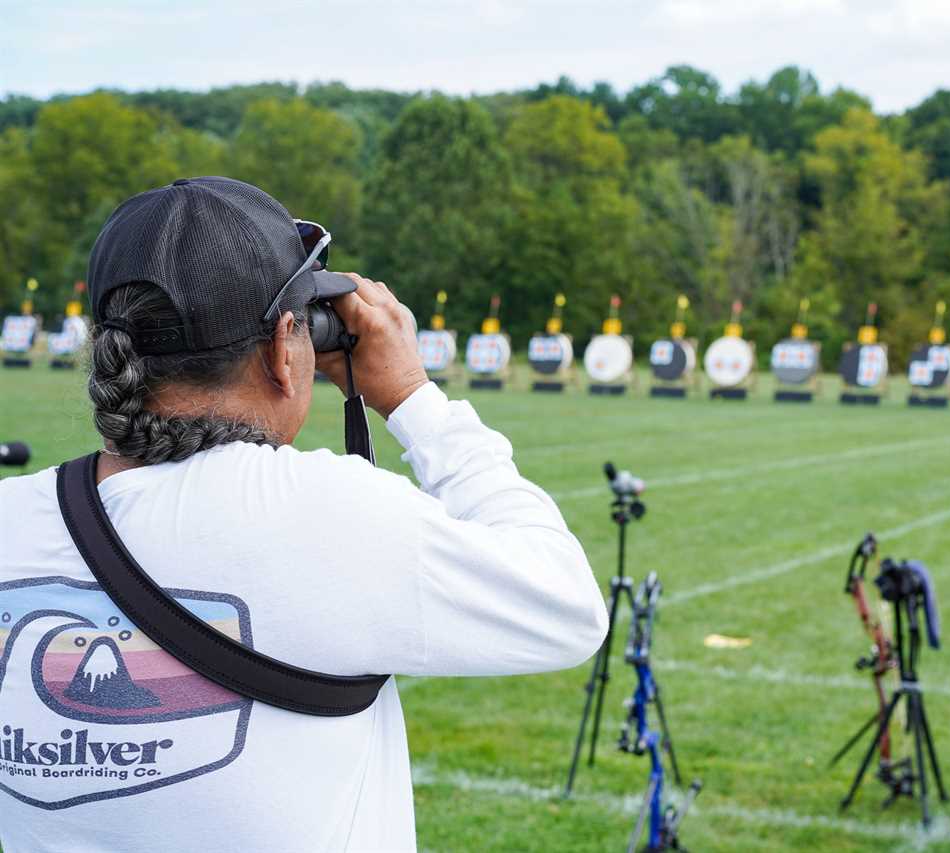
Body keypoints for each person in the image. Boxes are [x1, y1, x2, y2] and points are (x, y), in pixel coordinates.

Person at [0, 177, 609, 852]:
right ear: (283, 348)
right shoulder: (333, 514)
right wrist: (412, 397)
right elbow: (569, 606)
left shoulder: (11, 517)